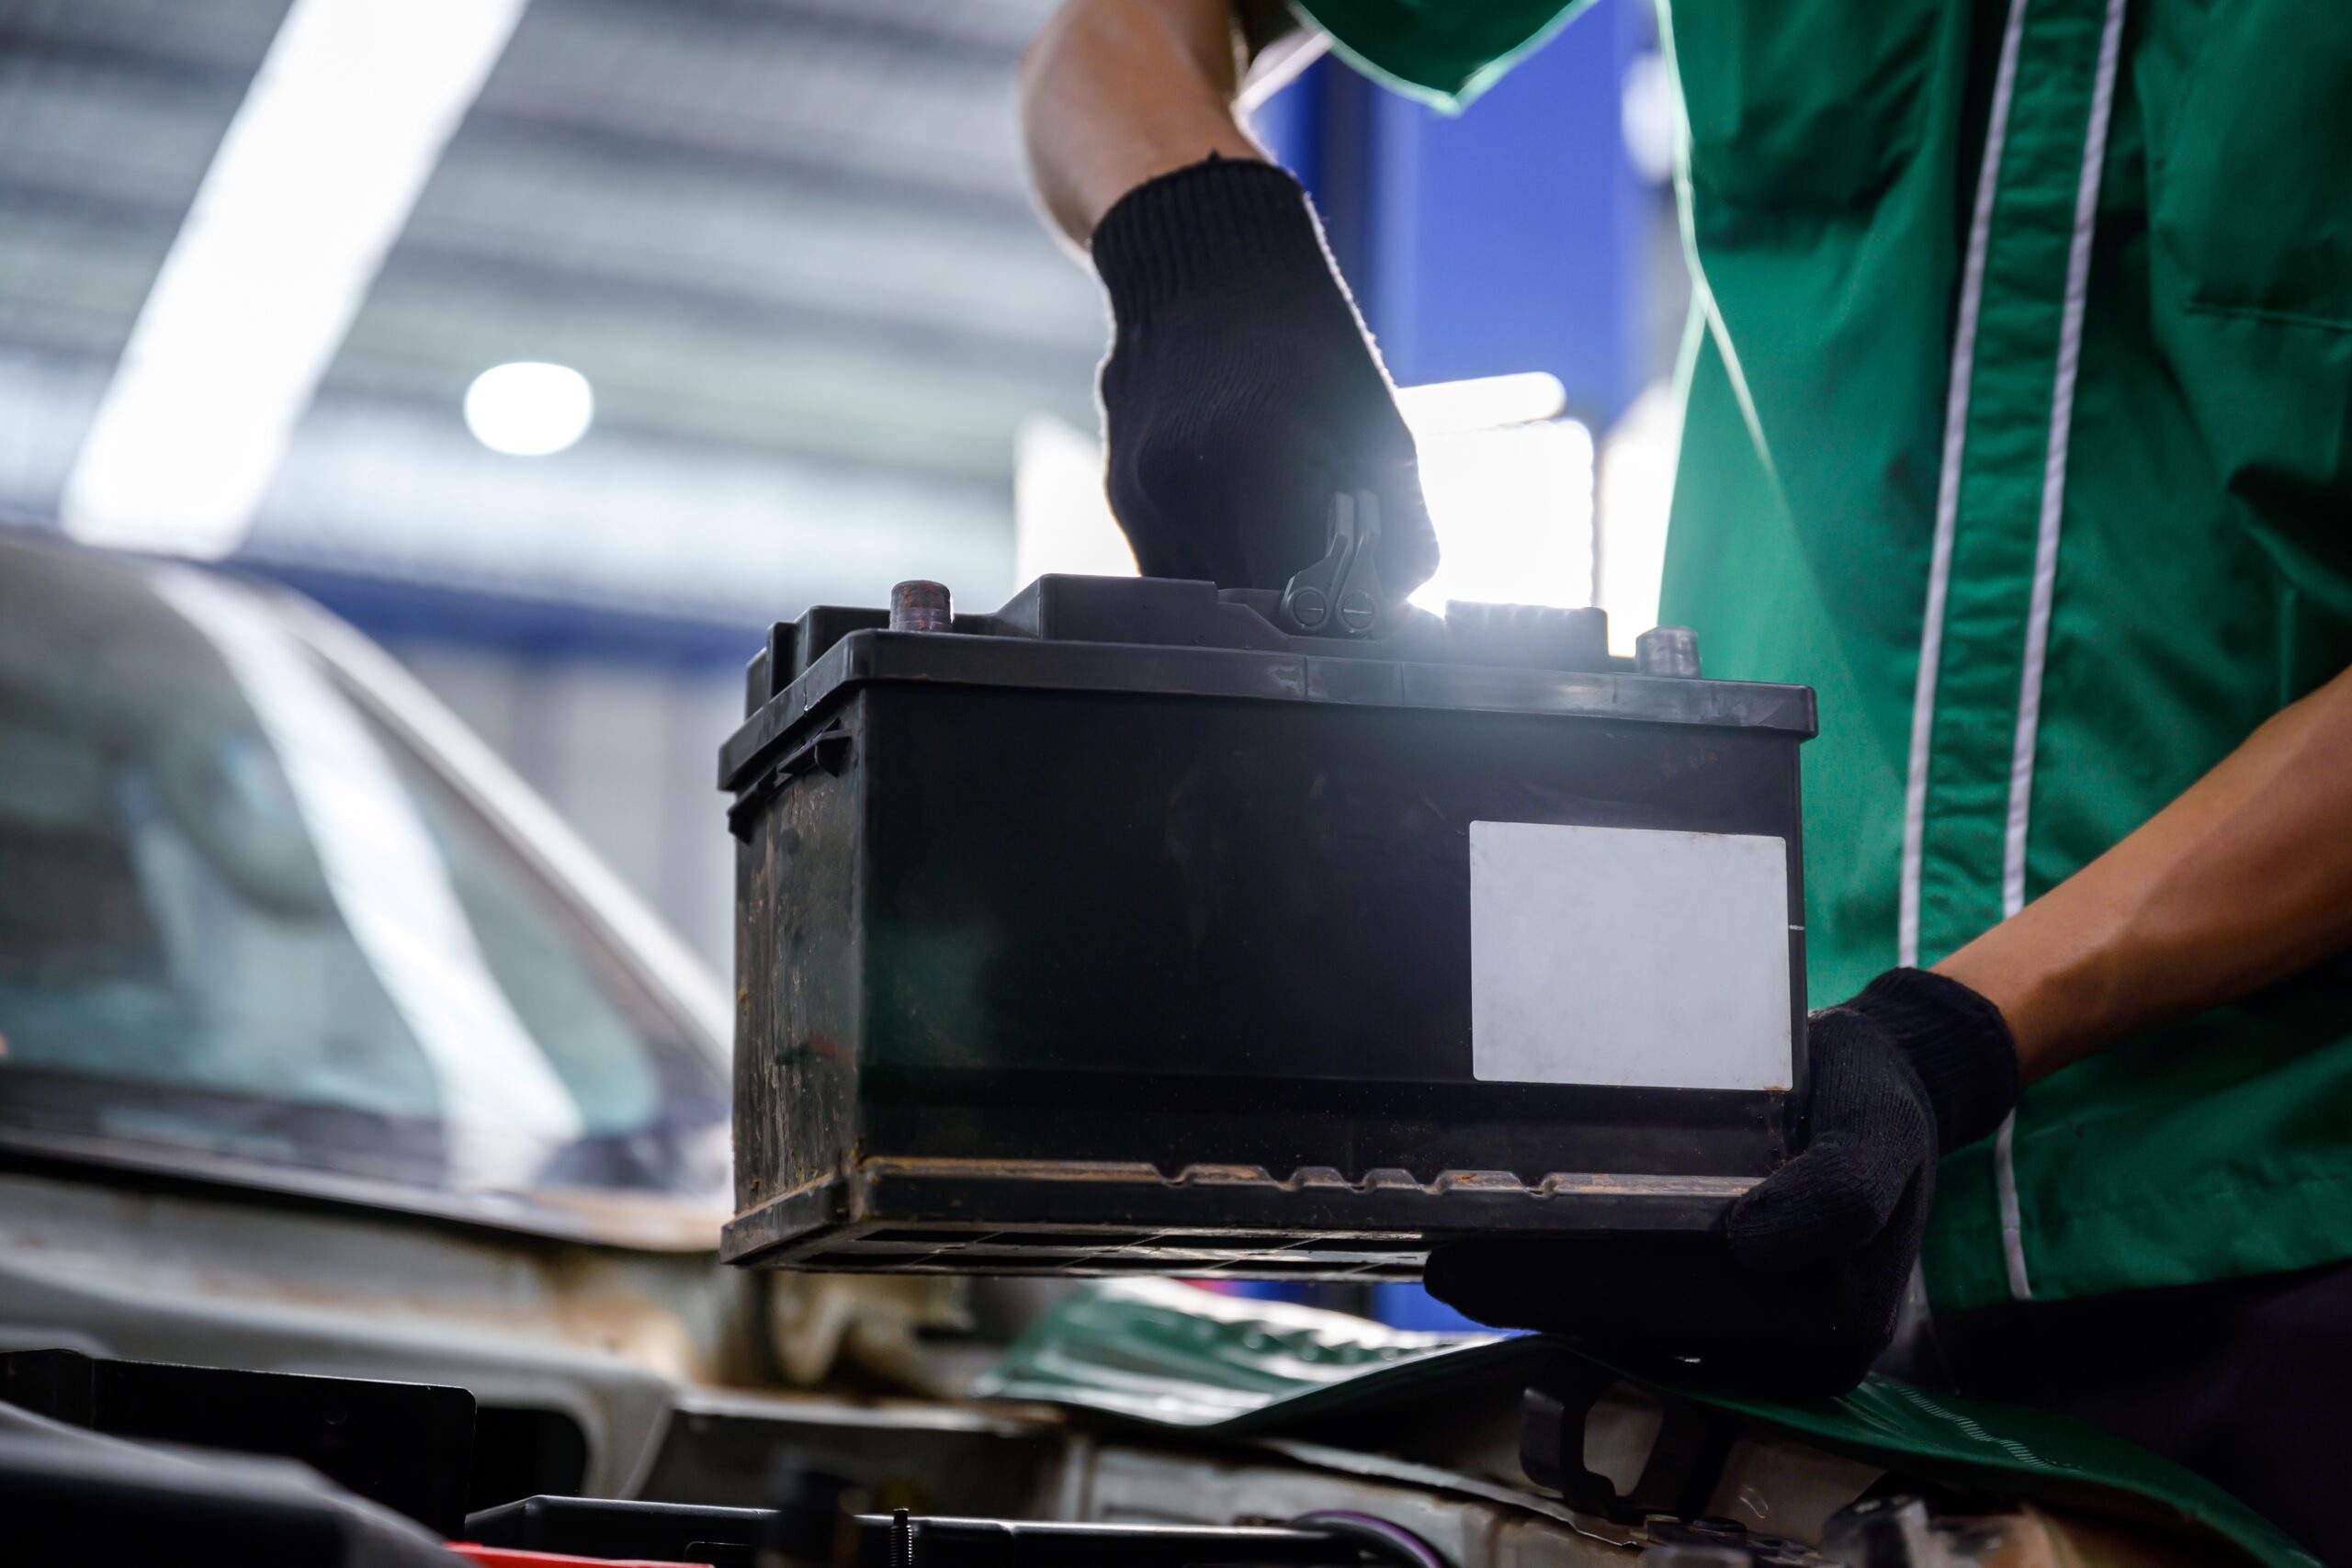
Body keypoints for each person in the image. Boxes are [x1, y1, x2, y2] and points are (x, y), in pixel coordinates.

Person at [1017, 0, 2352, 1553]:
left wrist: (1956, 1036)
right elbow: (1115, 39)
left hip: (2294, 1232)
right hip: (1811, 1246)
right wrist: (1191, 235)